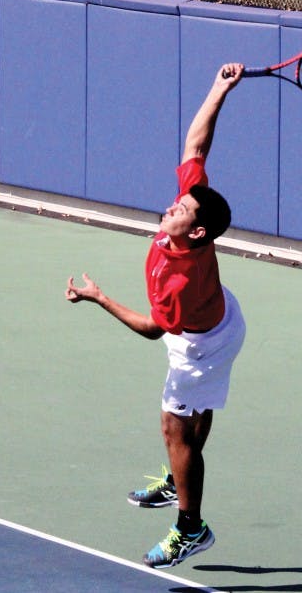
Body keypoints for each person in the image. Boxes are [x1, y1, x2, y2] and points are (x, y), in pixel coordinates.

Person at [65, 62, 247, 569]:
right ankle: (177, 476)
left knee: (174, 425)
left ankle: (192, 526)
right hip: (224, 321)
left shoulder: (178, 281)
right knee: (196, 414)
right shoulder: (190, 224)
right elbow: (195, 147)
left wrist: (100, 298)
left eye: (181, 210)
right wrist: (219, 88)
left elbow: (154, 329)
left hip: (201, 341)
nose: (171, 206)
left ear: (197, 233)